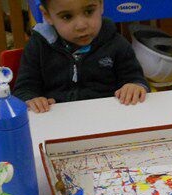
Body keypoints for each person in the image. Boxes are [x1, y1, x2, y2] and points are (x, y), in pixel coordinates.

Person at [13, 0, 149, 113]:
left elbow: (135, 78)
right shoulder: (38, 46)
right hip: (56, 121)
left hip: (109, 118)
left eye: (89, 11)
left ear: (101, 5)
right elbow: (24, 89)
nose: (81, 26)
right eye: (67, 16)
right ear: (47, 15)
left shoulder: (117, 43)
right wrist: (32, 100)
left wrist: (134, 86)